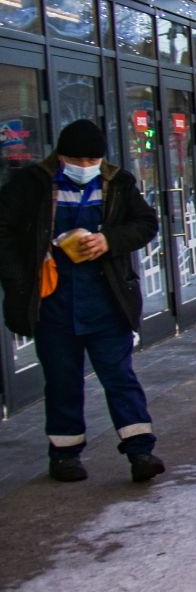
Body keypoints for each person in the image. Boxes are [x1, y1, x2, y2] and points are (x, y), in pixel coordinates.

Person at [0, 119, 163, 483]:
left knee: (120, 377)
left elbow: (146, 224)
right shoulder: (31, 184)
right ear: (61, 156)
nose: (85, 167)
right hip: (52, 302)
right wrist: (20, 275)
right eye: (77, 159)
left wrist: (108, 240)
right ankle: (65, 454)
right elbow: (5, 233)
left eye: (92, 160)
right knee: (62, 380)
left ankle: (141, 451)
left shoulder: (118, 183)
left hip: (107, 301)